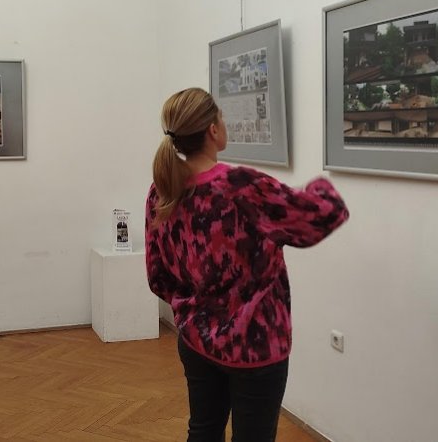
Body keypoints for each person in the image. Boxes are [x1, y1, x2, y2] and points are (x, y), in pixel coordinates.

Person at [145, 88, 349, 442]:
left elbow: (157, 275)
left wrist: (192, 309)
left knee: (203, 431)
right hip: (255, 346)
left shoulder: (162, 190)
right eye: (222, 118)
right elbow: (321, 215)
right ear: (213, 129)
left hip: (196, 339)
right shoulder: (240, 186)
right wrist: (321, 184)